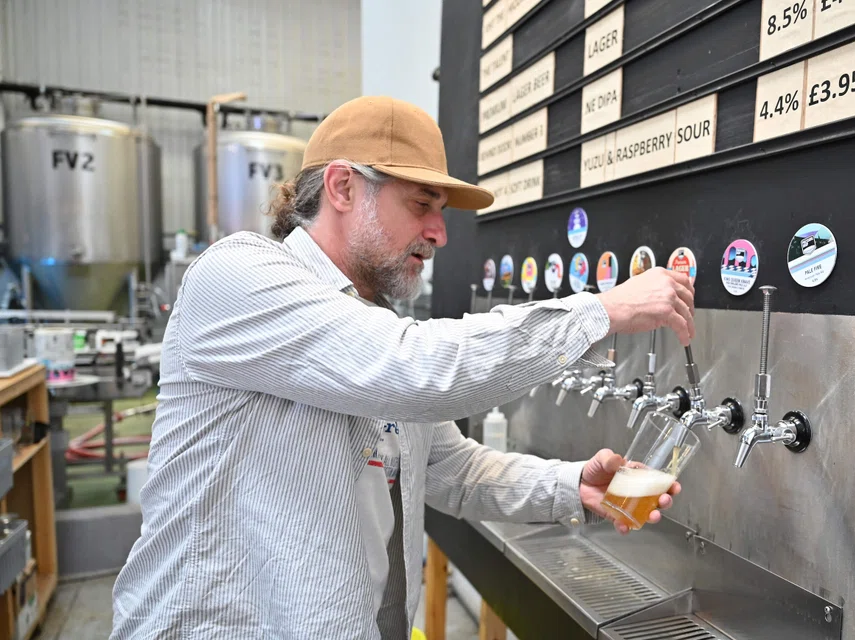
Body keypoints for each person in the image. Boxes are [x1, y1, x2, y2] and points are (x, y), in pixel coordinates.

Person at [110, 96, 696, 640]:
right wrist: (601, 309)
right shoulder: (237, 277)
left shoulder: (371, 319)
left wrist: (574, 488)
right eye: (421, 205)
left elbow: (452, 468)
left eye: (439, 212)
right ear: (342, 187)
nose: (439, 233)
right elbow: (413, 368)